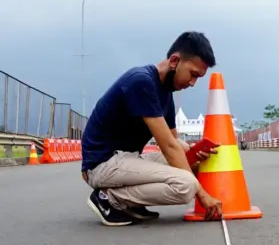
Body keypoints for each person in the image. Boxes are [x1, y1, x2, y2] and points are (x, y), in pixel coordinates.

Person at [81, 31, 223, 227]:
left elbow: (174, 142)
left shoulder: (166, 93)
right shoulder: (141, 81)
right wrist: (202, 195)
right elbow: (168, 147)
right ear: (174, 61)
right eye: (193, 74)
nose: (192, 83)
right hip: (102, 164)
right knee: (186, 185)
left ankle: (129, 201)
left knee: (193, 164)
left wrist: (196, 151)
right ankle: (111, 198)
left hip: (127, 158)